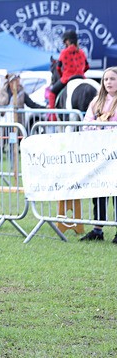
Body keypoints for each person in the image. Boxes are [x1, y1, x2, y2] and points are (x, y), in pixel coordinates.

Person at [79, 67, 117, 242]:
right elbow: (85, 123)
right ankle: (97, 230)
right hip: (99, 154)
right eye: (106, 79)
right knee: (99, 189)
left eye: (112, 79)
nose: (108, 82)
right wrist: (98, 124)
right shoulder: (96, 102)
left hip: (115, 154)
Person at [48, 30, 89, 110]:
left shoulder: (64, 52)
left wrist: (62, 75)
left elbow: (58, 68)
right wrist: (80, 72)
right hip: (81, 77)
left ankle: (53, 117)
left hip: (67, 78)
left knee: (52, 93)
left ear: (67, 41)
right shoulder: (82, 52)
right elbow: (87, 66)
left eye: (65, 41)